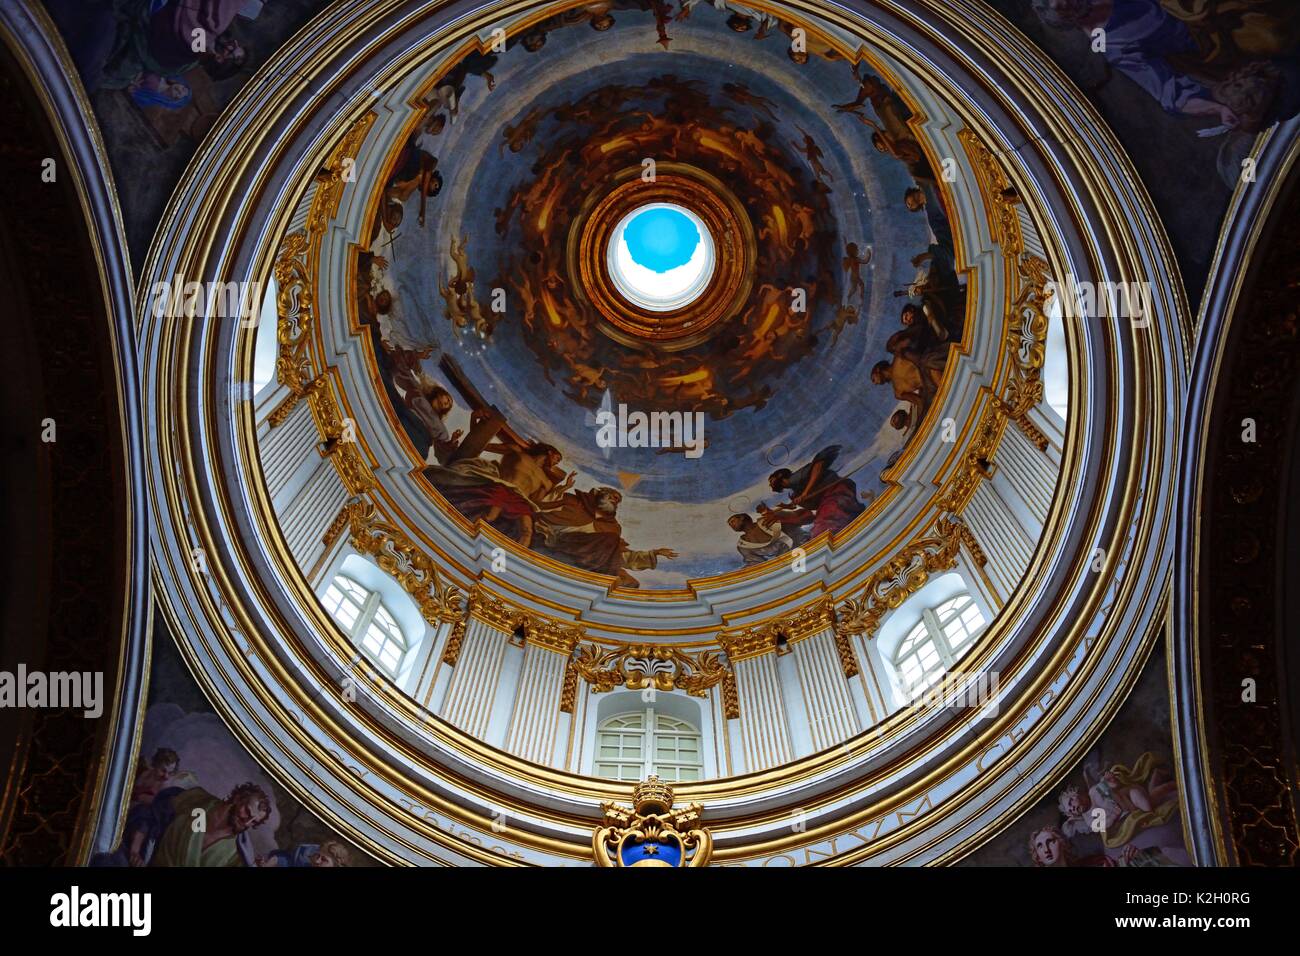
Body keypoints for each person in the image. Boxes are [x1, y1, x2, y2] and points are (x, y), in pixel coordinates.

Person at [535, 487, 677, 588]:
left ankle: (603, 580)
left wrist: (654, 553)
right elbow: (543, 507)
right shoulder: (574, 502)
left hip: (591, 556)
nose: (615, 500)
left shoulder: (612, 527)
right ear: (600, 493)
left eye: (618, 500)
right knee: (610, 541)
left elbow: (619, 554)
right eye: (613, 496)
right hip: (562, 542)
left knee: (632, 582)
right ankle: (605, 576)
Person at [147, 782, 271, 867]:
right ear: (238, 798)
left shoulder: (237, 852)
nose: (247, 822)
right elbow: (155, 811)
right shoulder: (198, 799)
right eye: (247, 812)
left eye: (254, 821)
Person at [767, 445, 864, 539]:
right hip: (829, 499)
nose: (771, 485)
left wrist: (805, 493)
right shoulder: (795, 490)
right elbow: (808, 510)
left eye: (771, 481)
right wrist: (789, 506)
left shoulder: (794, 478)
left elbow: (818, 465)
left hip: (835, 492)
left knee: (827, 523)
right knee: (823, 525)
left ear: (779, 475)